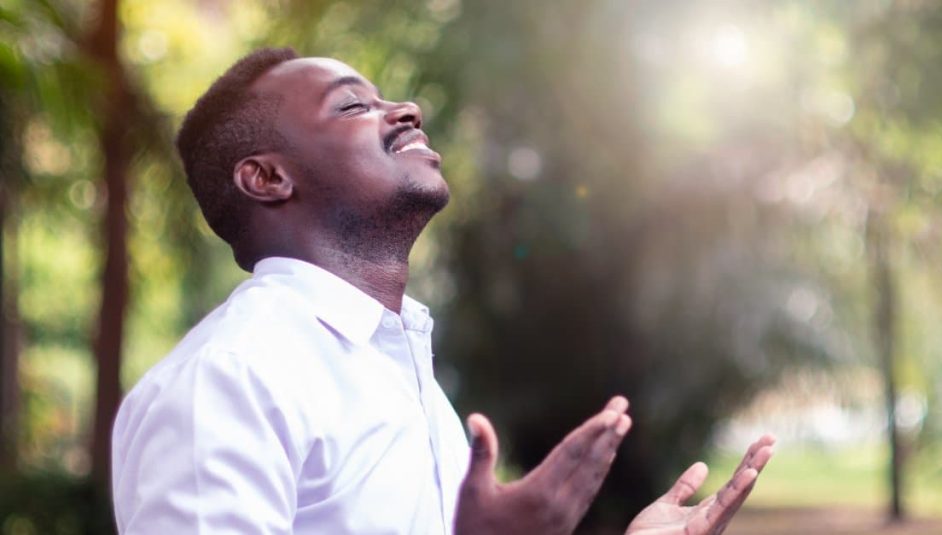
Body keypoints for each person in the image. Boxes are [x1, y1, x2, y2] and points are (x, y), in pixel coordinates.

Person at [111, 47, 774, 535]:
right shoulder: (226, 381)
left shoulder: (398, 370)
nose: (406, 109)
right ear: (266, 178)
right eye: (352, 105)